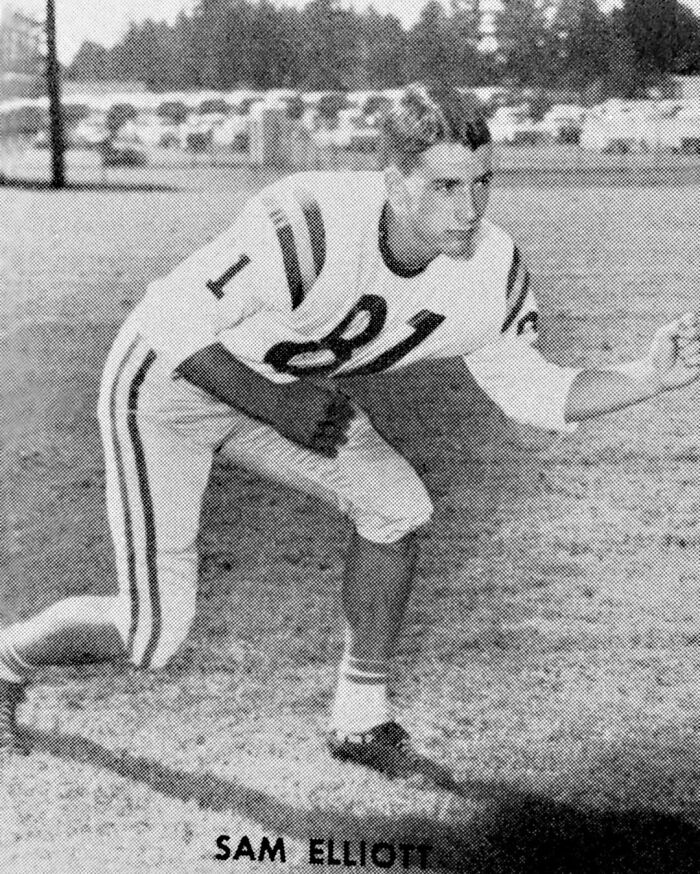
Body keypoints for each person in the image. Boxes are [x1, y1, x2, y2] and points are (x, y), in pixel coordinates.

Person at [1, 85, 698, 774]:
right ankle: (5, 657)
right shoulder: (313, 223)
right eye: (445, 186)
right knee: (152, 634)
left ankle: (359, 719)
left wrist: (646, 376)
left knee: (397, 506)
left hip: (280, 393)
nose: (470, 209)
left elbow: (533, 390)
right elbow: (167, 318)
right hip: (171, 381)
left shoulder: (489, 269)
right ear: (393, 182)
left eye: (482, 182)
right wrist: (278, 407)